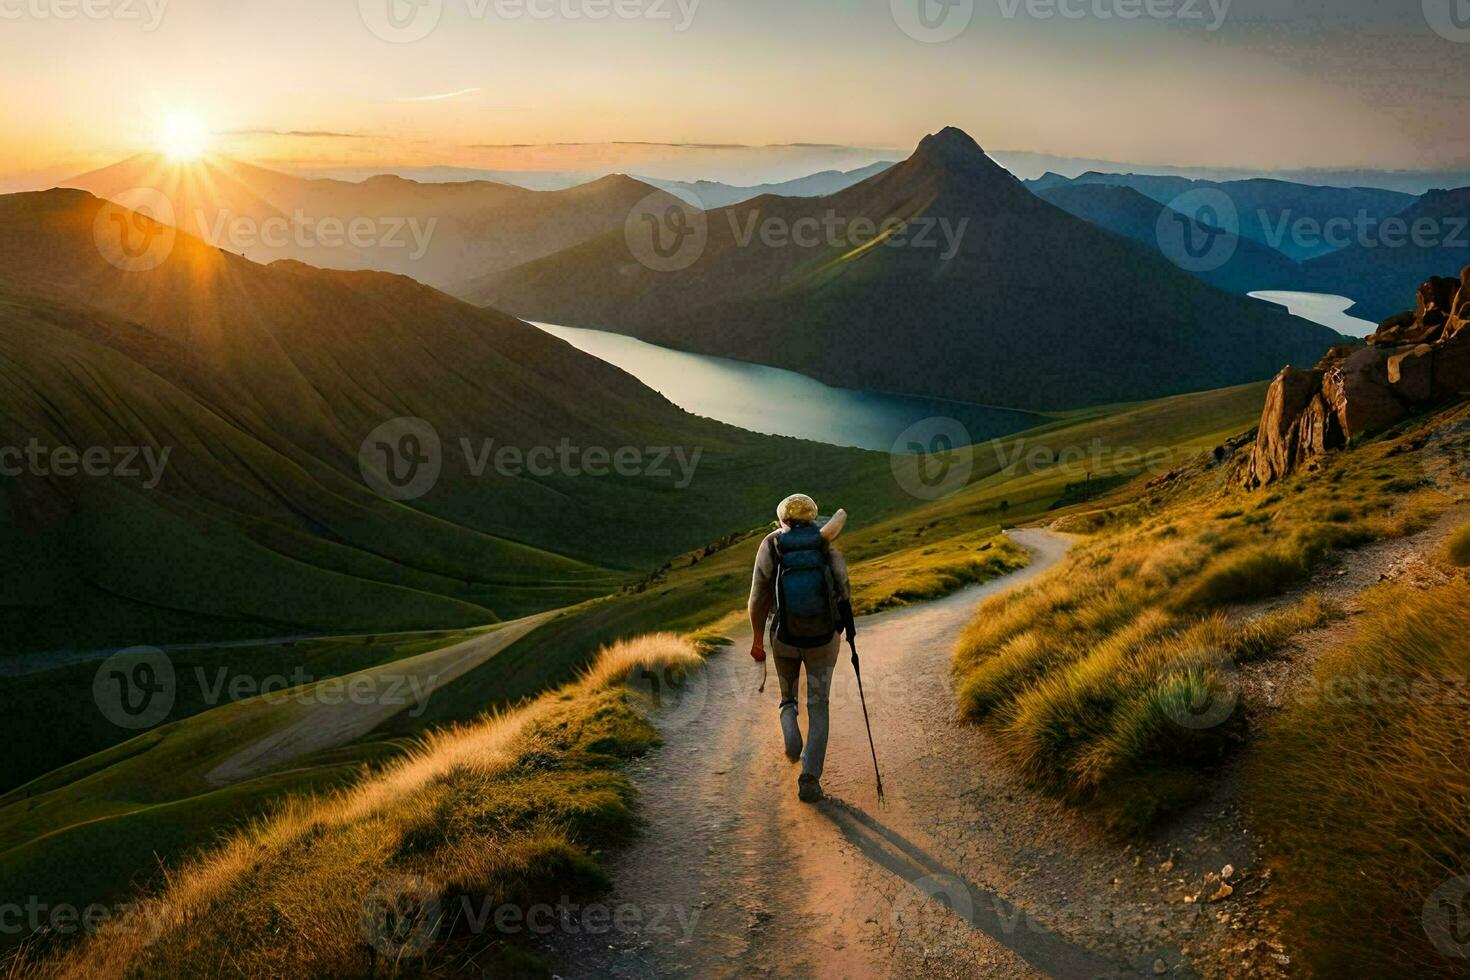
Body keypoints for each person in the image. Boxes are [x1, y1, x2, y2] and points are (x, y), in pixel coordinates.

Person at [748, 494, 851, 803]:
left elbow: (756, 599)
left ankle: (791, 735)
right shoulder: (825, 545)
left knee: (788, 696)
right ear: (813, 517)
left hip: (784, 638)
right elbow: (844, 589)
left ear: (783, 518)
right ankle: (810, 776)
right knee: (819, 706)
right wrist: (849, 631)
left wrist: (756, 640)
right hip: (823, 640)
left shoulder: (772, 544)